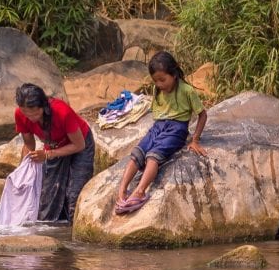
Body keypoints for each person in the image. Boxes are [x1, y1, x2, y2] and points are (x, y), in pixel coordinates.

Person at [114, 51, 207, 215]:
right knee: (137, 153)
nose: (159, 84)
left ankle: (140, 191)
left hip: (177, 129)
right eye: (156, 81)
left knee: (153, 156)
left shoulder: (186, 91)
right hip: (158, 126)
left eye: (163, 80)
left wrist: (195, 140)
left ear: (174, 74)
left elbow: (202, 114)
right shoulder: (158, 90)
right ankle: (122, 190)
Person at [14, 83, 95, 222]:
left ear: (43, 107)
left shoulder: (62, 112)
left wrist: (47, 155)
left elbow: (79, 145)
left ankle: (71, 236)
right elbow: (29, 145)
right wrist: (22, 172)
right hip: (54, 146)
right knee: (47, 202)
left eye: (34, 113)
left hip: (80, 145)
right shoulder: (21, 115)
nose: (31, 117)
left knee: (73, 198)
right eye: (26, 113)